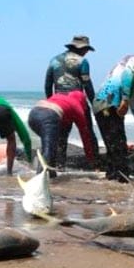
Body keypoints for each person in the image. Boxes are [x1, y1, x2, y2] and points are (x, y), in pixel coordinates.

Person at [92, 51, 134, 182]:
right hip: (108, 103)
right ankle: (122, 180)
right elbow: (127, 75)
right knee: (119, 145)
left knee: (113, 145)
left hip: (101, 105)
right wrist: (125, 100)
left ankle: (112, 179)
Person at [44, 35, 100, 170]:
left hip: (59, 104)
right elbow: (87, 85)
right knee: (88, 133)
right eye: (86, 49)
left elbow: (47, 85)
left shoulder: (54, 60)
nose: (87, 52)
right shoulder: (82, 62)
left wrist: (51, 102)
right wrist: (94, 104)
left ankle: (59, 165)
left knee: (61, 136)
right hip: (77, 103)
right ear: (82, 48)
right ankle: (94, 165)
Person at [27, 90, 97, 176]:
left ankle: (52, 175)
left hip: (33, 115)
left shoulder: (59, 97)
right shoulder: (77, 106)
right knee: (48, 151)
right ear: (82, 100)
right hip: (49, 116)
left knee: (51, 147)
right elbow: (84, 135)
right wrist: (90, 158)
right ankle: (38, 179)